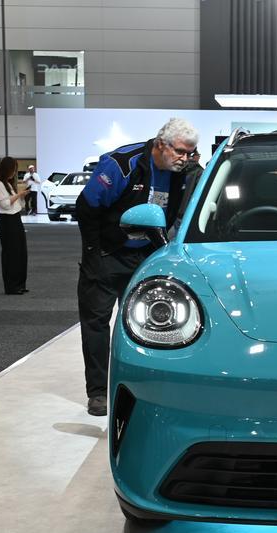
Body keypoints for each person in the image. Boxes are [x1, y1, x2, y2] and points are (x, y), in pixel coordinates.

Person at [77, 117, 199, 416]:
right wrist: (93, 255)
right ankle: (98, 392)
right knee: (96, 323)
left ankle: (143, 388)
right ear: (160, 144)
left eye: (189, 153)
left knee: (146, 323)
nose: (184, 159)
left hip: (144, 257)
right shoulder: (122, 164)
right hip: (107, 254)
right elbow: (87, 207)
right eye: (180, 151)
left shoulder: (181, 174)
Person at [0, 156, 29, 294]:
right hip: (7, 221)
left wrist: (21, 196)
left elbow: (17, 205)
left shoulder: (7, 184)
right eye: (13, 170)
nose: (14, 173)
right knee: (11, 254)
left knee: (21, 253)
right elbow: (6, 205)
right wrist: (19, 195)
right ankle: (11, 286)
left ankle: (20, 284)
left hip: (16, 219)